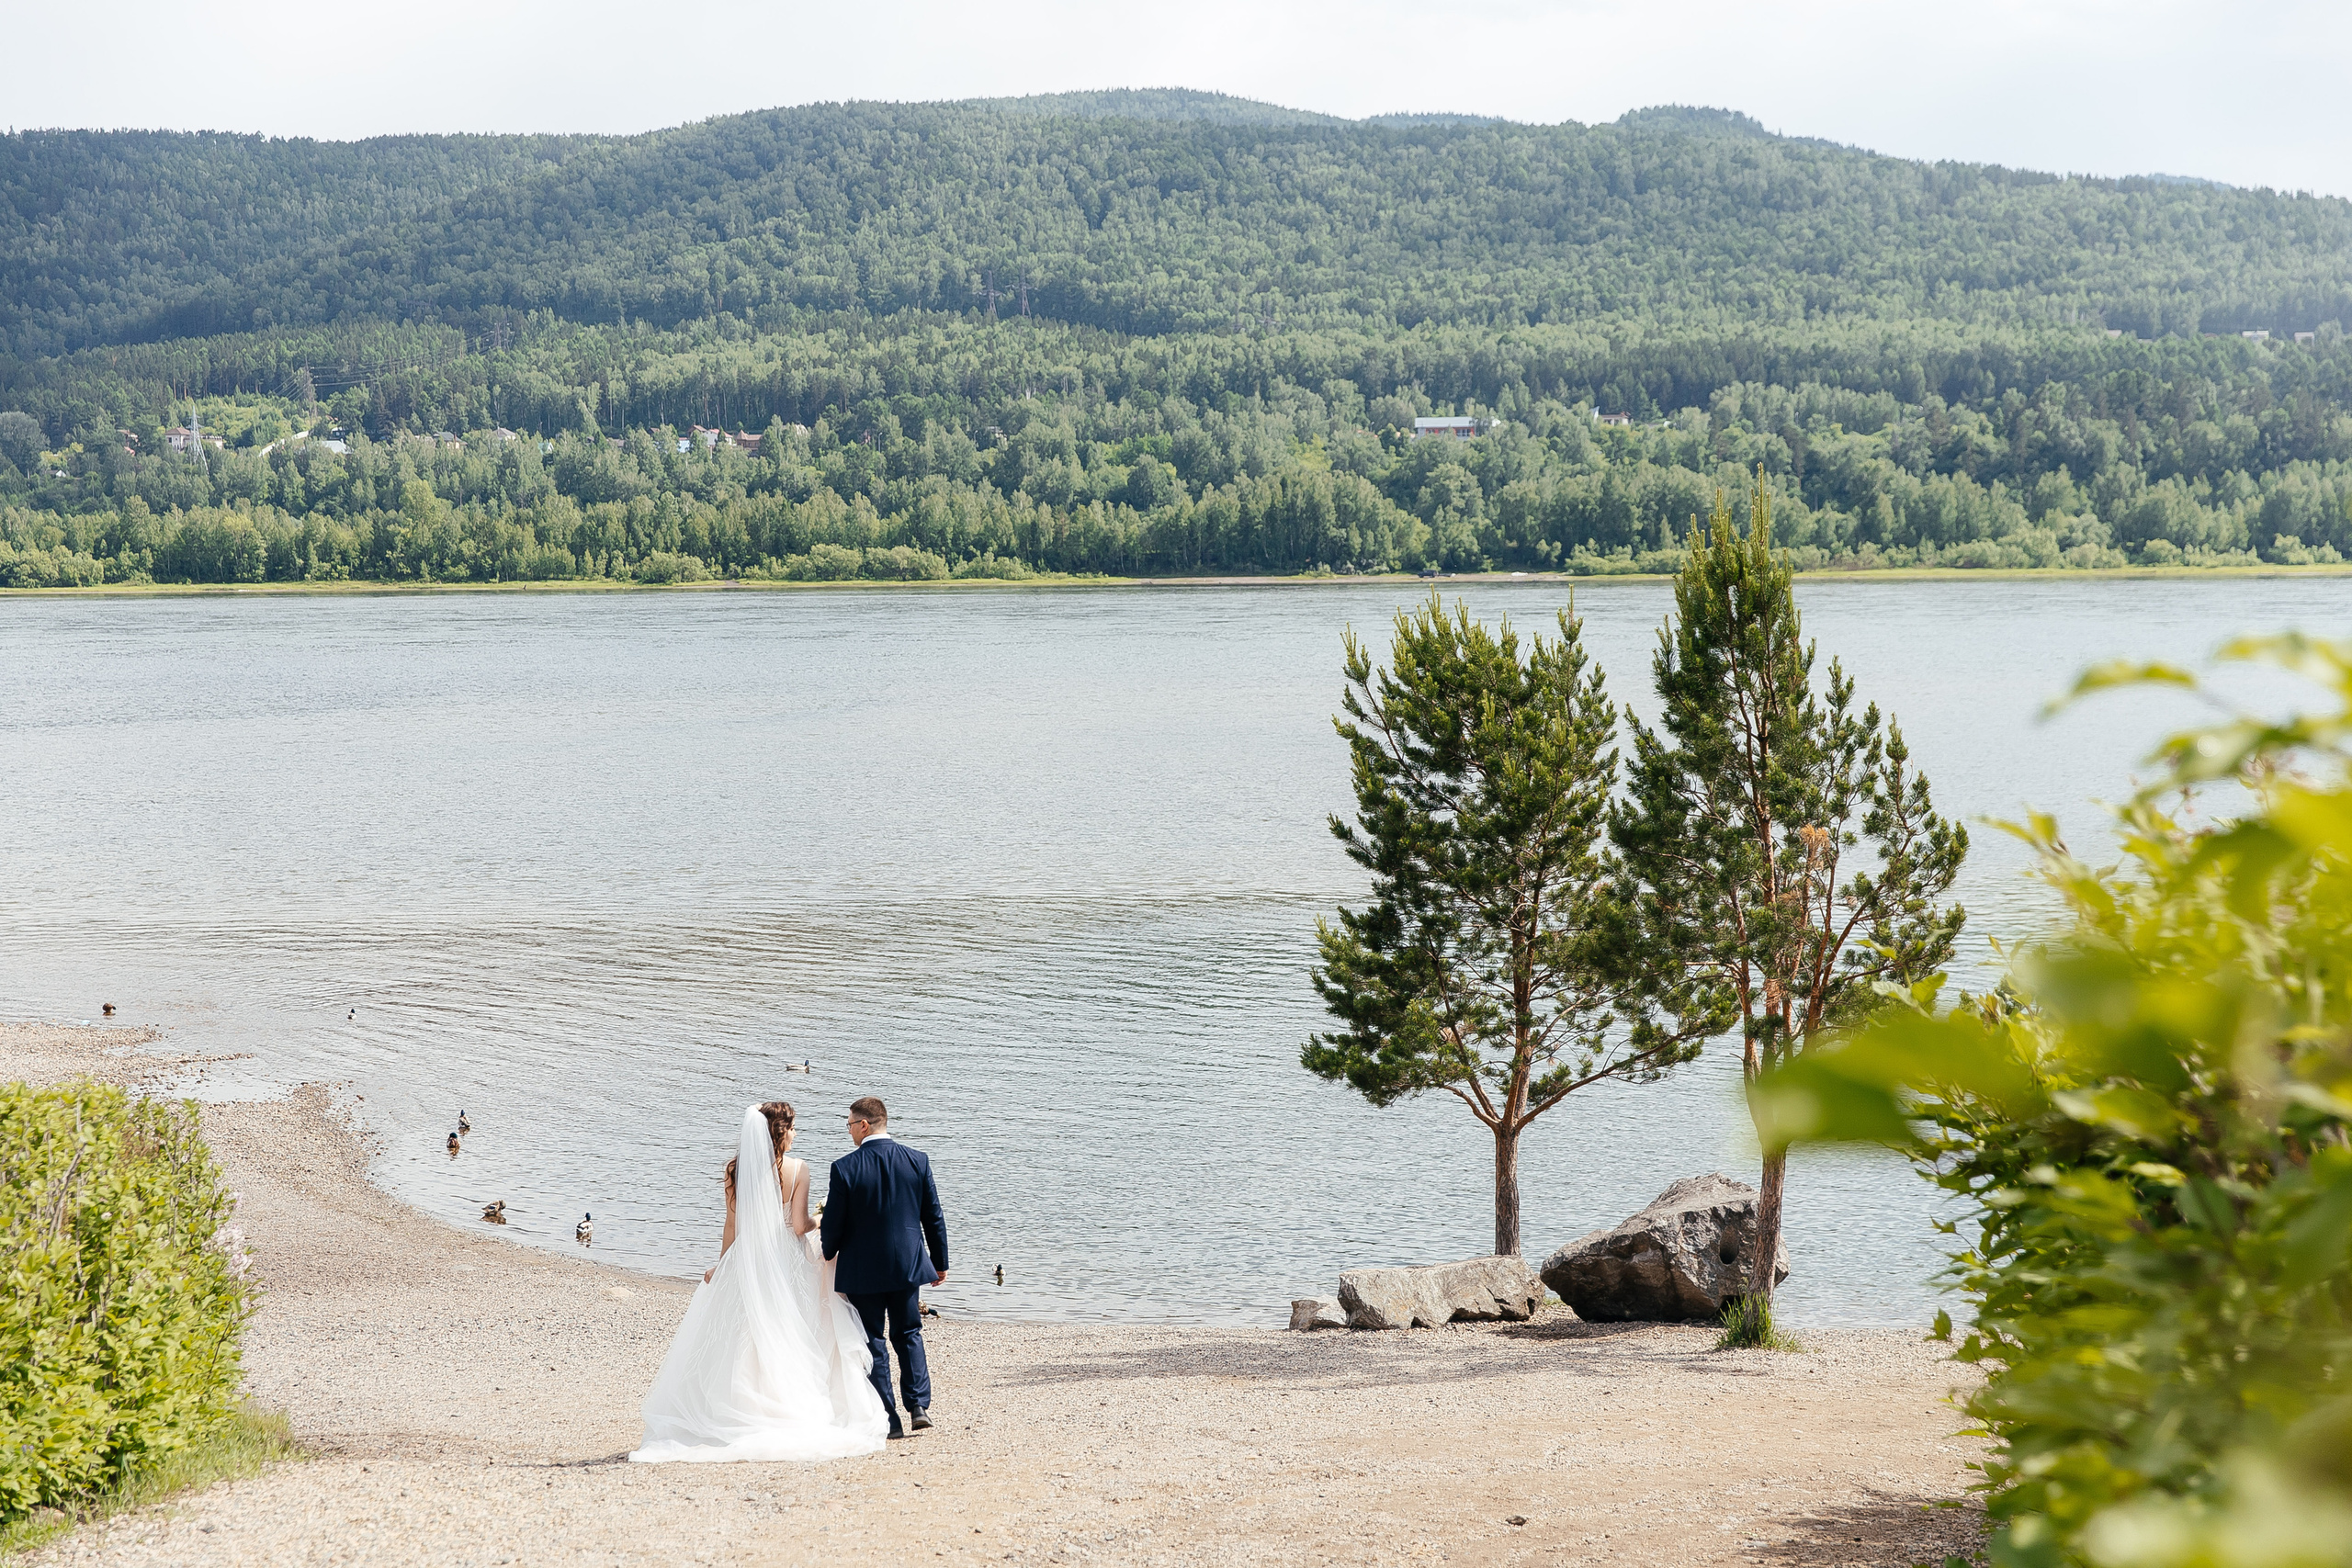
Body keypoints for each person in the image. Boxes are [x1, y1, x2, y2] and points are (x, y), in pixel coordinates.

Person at [628, 1102, 888, 1462]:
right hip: (785, 1259)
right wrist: (820, 1217)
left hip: (745, 1258)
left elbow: (731, 1226)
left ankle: (738, 1402)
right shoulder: (799, 1170)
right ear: (781, 1132)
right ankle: (784, 1402)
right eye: (794, 1128)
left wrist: (721, 1266)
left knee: (743, 1333)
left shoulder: (736, 1170)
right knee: (788, 1328)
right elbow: (798, 1227)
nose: (796, 1134)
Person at [820, 1096, 948, 1440]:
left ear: (864, 1125)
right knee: (908, 1333)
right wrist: (939, 1263)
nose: (848, 1131)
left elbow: (833, 1224)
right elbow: (933, 1216)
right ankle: (919, 1406)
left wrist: (827, 1252)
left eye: (849, 1124)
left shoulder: (845, 1168)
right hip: (907, 1264)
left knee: (873, 1339)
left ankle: (888, 1418)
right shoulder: (916, 1160)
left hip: (863, 1269)